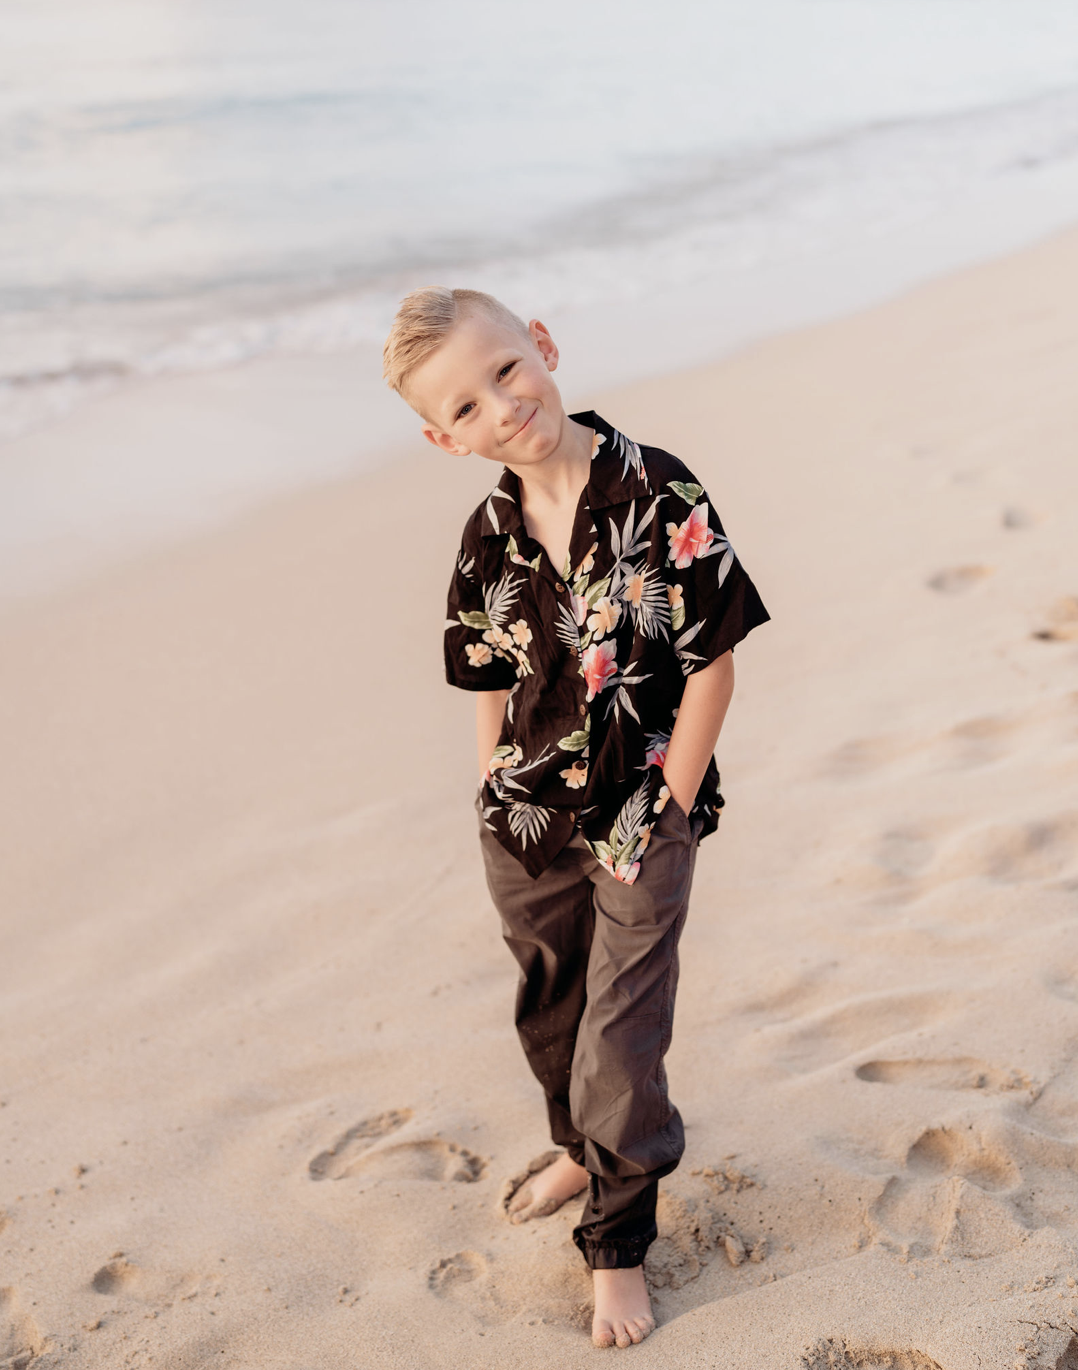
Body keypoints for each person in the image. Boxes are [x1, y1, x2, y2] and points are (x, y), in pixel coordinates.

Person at [382, 287, 769, 1349]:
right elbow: (484, 672)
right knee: (551, 1001)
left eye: (506, 370)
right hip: (526, 813)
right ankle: (574, 1145)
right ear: (443, 437)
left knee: (621, 1033)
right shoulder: (488, 528)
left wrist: (669, 805)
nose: (501, 406)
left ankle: (619, 1242)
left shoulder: (657, 486)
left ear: (541, 347)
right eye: (465, 406)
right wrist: (488, 785)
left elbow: (713, 662)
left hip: (644, 805)